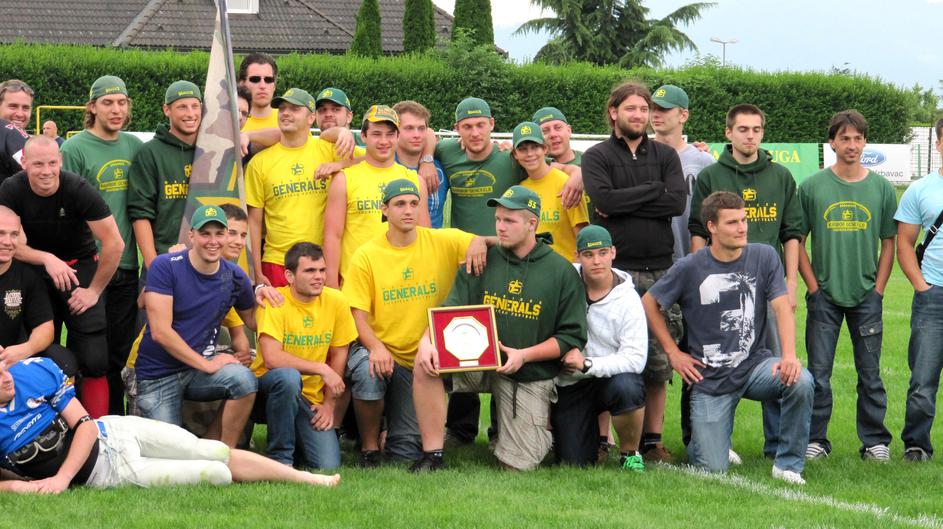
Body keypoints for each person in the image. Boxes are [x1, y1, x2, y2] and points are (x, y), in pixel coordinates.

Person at [432, 97, 583, 446]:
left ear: (492, 125)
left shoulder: (510, 161)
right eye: (467, 126)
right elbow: (423, 138)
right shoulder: (446, 152)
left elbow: (552, 165)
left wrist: (578, 172)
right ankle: (459, 428)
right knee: (467, 334)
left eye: (480, 124)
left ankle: (505, 429)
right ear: (456, 129)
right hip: (469, 257)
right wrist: (427, 160)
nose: (474, 132)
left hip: (509, 258)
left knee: (508, 333)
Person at [412, 185, 587, 472]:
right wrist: (426, 341)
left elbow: (571, 336)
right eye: (497, 219)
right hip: (477, 361)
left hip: (526, 371)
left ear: (532, 223)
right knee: (425, 363)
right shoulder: (481, 258)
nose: (500, 227)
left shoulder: (561, 272)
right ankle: (432, 454)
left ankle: (535, 431)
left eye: (509, 220)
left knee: (516, 467)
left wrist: (524, 355)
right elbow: (449, 309)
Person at [642, 191, 813, 484]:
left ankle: (787, 465)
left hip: (755, 366)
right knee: (712, 469)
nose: (742, 227)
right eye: (732, 222)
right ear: (711, 227)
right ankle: (709, 442)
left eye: (743, 220)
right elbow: (649, 303)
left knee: (801, 380)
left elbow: (782, 306)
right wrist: (673, 352)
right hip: (711, 378)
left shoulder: (764, 255)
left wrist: (788, 355)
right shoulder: (690, 266)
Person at [0, 357, 340, 493]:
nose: (6, 377)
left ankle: (307, 478)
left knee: (211, 450)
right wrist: (23, 487)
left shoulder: (30, 372)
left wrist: (61, 479)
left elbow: (86, 426)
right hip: (111, 472)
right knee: (217, 473)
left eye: (3, 365)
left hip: (114, 431)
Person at [343, 179, 489, 466]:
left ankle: (391, 430)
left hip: (426, 361)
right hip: (386, 352)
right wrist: (376, 347)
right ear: (384, 209)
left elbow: (496, 240)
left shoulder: (442, 240)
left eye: (413, 203)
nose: (408, 210)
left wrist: (480, 241)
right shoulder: (366, 255)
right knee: (368, 372)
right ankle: (369, 447)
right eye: (399, 204)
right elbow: (356, 314)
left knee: (404, 453)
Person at [688, 103, 803, 458]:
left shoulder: (781, 176)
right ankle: (722, 442)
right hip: (723, 291)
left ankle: (777, 444)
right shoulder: (711, 175)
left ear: (762, 133)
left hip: (770, 288)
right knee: (723, 362)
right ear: (729, 133)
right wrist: (699, 280)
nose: (750, 136)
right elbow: (698, 231)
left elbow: (792, 233)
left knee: (777, 364)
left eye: (756, 130)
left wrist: (791, 283)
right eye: (742, 129)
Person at [582, 81, 685, 463]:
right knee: (606, 352)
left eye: (644, 109)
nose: (640, 115)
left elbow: (675, 203)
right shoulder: (596, 156)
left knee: (658, 361)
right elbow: (604, 200)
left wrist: (625, 201)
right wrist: (653, 190)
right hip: (614, 273)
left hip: (660, 271)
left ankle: (651, 442)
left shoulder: (665, 156)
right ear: (614, 113)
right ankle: (602, 441)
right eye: (631, 108)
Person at [0, 136, 124, 419]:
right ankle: (42, 425)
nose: (46, 171)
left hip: (79, 268)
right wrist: (47, 258)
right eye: (38, 164)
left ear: (61, 161)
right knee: (41, 356)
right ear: (24, 163)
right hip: (34, 269)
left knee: (94, 358)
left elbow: (115, 243)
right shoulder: (11, 189)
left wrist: (94, 291)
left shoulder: (77, 188)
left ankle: (98, 429)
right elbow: (8, 241)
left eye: (52, 163)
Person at [798, 110, 896, 461]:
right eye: (844, 138)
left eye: (857, 138)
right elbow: (797, 241)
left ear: (865, 142)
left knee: (870, 375)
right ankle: (816, 440)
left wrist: (879, 289)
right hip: (824, 296)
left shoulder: (882, 188)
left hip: (867, 295)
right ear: (832, 143)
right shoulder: (812, 187)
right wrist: (813, 287)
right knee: (818, 375)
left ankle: (875, 442)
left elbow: (889, 242)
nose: (851, 145)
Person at [134, 206, 258, 448]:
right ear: (191, 236)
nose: (213, 241)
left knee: (244, 381)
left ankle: (222, 452)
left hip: (198, 372)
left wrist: (265, 295)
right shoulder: (165, 266)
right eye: (205, 233)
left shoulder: (234, 276)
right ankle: (200, 451)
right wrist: (207, 364)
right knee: (171, 454)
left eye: (219, 233)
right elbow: (160, 332)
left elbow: (253, 321)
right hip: (159, 374)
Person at [60, 75, 144, 416]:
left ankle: (116, 422)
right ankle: (83, 423)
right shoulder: (74, 149)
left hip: (126, 266)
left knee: (119, 353)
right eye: (108, 102)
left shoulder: (134, 146)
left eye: (122, 102)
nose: (116, 109)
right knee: (89, 353)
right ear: (92, 107)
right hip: (89, 267)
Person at [252, 242, 357, 469]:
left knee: (327, 465)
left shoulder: (336, 301)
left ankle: (298, 445)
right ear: (289, 276)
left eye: (322, 270)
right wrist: (321, 368)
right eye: (310, 271)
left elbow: (340, 352)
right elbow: (271, 358)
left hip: (309, 398)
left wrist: (328, 404)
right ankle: (281, 459)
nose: (319, 277)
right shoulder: (274, 301)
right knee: (288, 378)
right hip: (264, 391)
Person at [551, 225, 647, 471]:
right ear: (577, 256)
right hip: (571, 383)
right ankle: (586, 440)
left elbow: (636, 359)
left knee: (628, 387)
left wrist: (587, 364)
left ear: (613, 252)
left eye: (603, 253)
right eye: (588, 254)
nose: (596, 261)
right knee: (573, 463)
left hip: (609, 379)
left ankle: (630, 454)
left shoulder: (628, 299)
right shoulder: (563, 280)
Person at [246, 88, 360, 288]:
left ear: (311, 118)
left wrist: (340, 163)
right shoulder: (260, 162)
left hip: (321, 262)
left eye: (294, 109)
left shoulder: (329, 150)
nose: (286, 113)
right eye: (282, 108)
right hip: (277, 262)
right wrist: (256, 270)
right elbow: (254, 223)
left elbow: (372, 161)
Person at [323, 105, 429, 288]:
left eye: (390, 134)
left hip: (403, 284)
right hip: (358, 284)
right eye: (376, 134)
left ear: (398, 136)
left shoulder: (415, 180)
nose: (384, 141)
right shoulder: (344, 179)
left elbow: (425, 235)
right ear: (364, 136)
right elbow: (333, 236)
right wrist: (331, 284)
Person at [897, 117, 943, 463]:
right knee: (922, 380)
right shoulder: (920, 189)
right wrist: (921, 287)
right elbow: (904, 243)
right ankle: (917, 445)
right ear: (939, 144)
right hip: (933, 297)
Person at [127, 80, 203, 270]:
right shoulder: (150, 152)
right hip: (166, 259)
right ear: (166, 110)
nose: (190, 113)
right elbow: (140, 213)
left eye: (195, 106)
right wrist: (153, 265)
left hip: (207, 262)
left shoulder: (212, 149)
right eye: (182, 107)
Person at [0, 206, 77, 376]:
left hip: (13, 362)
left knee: (62, 360)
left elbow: (45, 327)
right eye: (1, 233)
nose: (8, 241)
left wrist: (25, 349)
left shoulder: (28, 276)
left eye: (14, 234)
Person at [649, 85, 716, 261]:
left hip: (693, 258)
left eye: (663, 109)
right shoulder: (637, 158)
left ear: (683, 115)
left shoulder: (703, 161)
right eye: (653, 108)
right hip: (649, 262)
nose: (655, 114)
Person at [512, 121, 588, 261]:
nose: (530, 154)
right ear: (515, 154)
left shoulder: (567, 183)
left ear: (545, 149)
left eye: (535, 147)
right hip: (533, 268)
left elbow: (582, 235)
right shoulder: (521, 189)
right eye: (522, 149)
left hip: (566, 267)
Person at [393, 100, 449, 229]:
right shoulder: (383, 164)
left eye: (421, 128)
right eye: (409, 128)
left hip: (432, 240)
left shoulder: (441, 167)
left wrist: (427, 160)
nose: (417, 135)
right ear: (395, 131)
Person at [238, 52, 279, 132]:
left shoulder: (288, 120)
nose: (262, 85)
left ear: (274, 85)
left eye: (268, 80)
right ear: (242, 84)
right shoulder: (231, 122)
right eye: (255, 79)